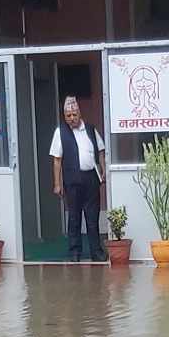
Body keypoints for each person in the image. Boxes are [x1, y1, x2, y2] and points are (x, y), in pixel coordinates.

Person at [49, 96, 105, 262]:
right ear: (64, 116)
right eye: (68, 116)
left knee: (92, 217)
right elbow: (57, 159)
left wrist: (102, 169)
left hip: (91, 179)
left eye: (74, 114)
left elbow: (101, 150)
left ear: (79, 113)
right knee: (74, 217)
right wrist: (57, 184)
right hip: (72, 180)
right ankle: (75, 253)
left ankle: (97, 252)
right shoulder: (60, 132)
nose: (71, 118)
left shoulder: (90, 129)